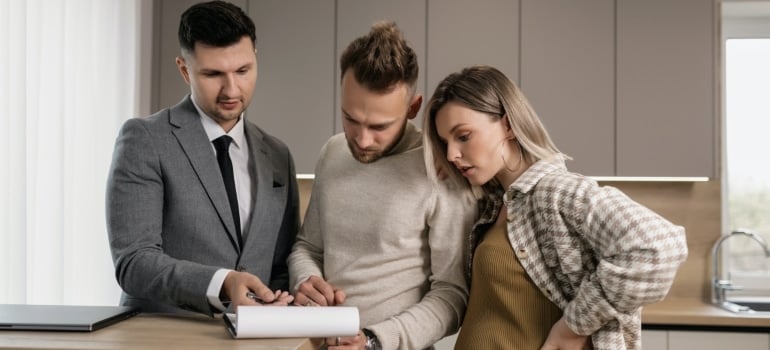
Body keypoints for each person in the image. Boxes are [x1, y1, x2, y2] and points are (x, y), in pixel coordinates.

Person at [422, 65, 688, 350]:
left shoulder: (556, 192)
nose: (452, 154)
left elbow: (659, 247)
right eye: (444, 142)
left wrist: (573, 327)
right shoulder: (494, 204)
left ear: (509, 125)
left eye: (463, 136)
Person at [288, 22, 476, 350]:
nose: (361, 140)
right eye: (350, 119)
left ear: (413, 108)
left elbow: (452, 294)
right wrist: (305, 279)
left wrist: (375, 341)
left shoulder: (442, 170)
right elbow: (308, 246)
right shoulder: (332, 151)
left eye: (379, 126)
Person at [106, 0, 298, 315]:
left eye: (243, 70)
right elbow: (134, 263)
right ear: (185, 70)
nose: (231, 89)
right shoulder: (144, 140)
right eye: (213, 74)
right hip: (162, 337)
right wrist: (222, 282)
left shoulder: (278, 155)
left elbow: (281, 264)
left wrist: (279, 299)